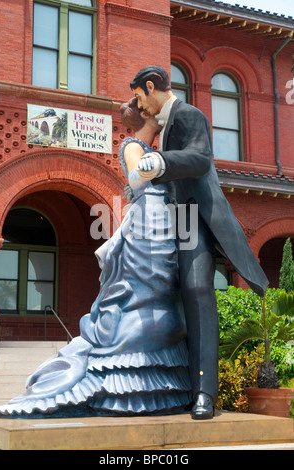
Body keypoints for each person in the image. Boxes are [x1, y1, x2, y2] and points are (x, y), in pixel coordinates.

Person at [0, 98, 192, 419]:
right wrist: (159, 165)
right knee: (135, 300)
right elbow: (138, 180)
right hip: (148, 219)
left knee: (149, 294)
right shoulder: (133, 147)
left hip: (156, 224)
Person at [130, 66, 269, 420]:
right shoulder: (162, 127)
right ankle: (171, 387)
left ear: (151, 87)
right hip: (169, 224)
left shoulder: (189, 114)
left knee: (197, 292)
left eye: (139, 97)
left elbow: (199, 159)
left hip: (194, 221)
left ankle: (204, 393)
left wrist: (160, 160)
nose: (138, 105)